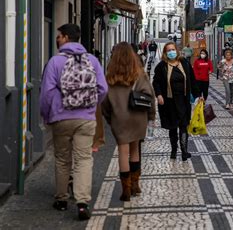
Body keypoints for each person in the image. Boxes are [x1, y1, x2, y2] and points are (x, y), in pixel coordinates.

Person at [40, 24, 107, 220]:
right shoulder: (92, 60)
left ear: (66, 37)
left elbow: (46, 93)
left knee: (62, 158)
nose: (57, 39)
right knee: (84, 159)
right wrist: (91, 105)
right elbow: (102, 88)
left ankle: (61, 199)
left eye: (59, 36)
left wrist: (47, 115)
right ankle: (82, 202)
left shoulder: (55, 62)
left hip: (61, 117)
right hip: (86, 118)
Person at [101, 42, 156, 201]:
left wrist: (110, 119)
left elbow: (104, 103)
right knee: (135, 151)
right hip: (138, 117)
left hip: (120, 119)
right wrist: (151, 117)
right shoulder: (140, 75)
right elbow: (150, 97)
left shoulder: (110, 77)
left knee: (123, 153)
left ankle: (125, 190)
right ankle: (135, 185)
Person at [152, 42, 201, 161]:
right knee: (173, 126)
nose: (171, 52)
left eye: (173, 49)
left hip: (183, 100)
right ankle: (174, 150)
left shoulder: (184, 63)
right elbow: (156, 82)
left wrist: (198, 95)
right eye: (168, 50)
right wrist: (159, 95)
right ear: (165, 52)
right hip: (169, 101)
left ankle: (184, 151)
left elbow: (192, 80)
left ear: (177, 50)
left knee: (184, 125)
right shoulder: (162, 66)